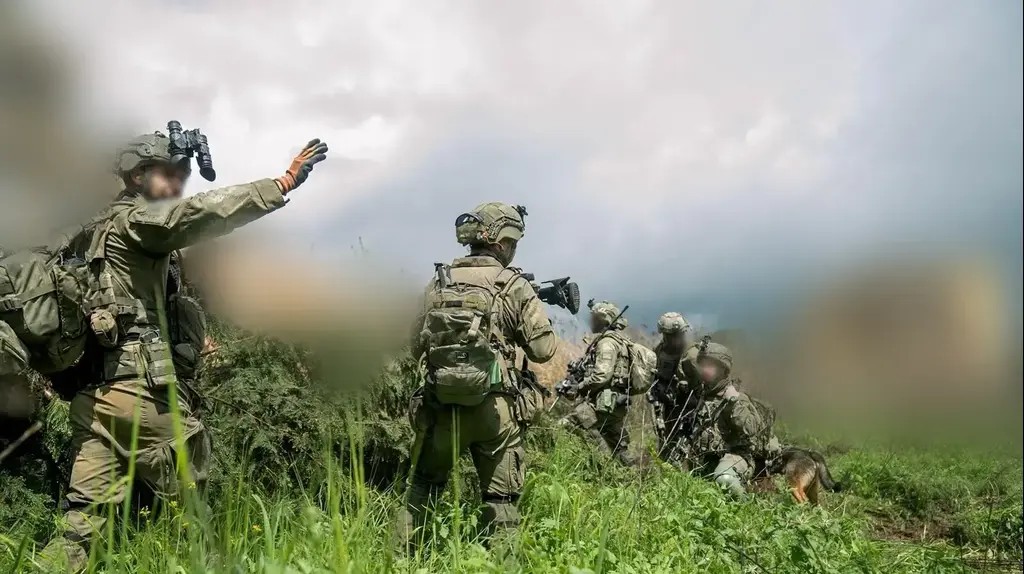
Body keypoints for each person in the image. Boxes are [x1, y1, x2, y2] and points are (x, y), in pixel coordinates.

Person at [40, 128, 329, 571]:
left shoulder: (95, 229)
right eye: (165, 172)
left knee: (82, 522)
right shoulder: (136, 223)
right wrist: (281, 184)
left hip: (94, 400)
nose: (175, 181)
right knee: (194, 515)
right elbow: (197, 213)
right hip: (141, 395)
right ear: (138, 176)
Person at [396, 202, 557, 550]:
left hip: (440, 408)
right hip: (494, 413)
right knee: (502, 503)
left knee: (421, 487)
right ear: (501, 242)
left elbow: (413, 346)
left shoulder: (438, 283)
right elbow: (543, 350)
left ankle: (399, 562)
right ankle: (501, 565)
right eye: (513, 243)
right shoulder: (514, 284)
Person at [685, 341, 780, 496]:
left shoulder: (737, 397)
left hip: (737, 456)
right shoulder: (702, 394)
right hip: (707, 458)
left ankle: (745, 505)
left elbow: (751, 428)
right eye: (703, 364)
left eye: (710, 365)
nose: (705, 369)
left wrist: (734, 402)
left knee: (725, 479)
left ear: (723, 369)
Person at [559, 301, 638, 466]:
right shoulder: (616, 341)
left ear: (604, 320)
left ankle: (601, 466)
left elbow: (602, 375)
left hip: (605, 402)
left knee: (567, 424)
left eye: (594, 318)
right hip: (613, 402)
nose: (591, 321)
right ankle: (635, 473)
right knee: (618, 446)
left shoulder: (607, 343)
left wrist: (579, 387)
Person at [648, 312, 700, 469]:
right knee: (666, 440)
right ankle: (666, 467)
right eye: (668, 335)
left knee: (688, 443)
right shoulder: (659, 350)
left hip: (689, 407)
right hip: (668, 404)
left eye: (676, 335)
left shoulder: (692, 355)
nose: (672, 339)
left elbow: (704, 385)